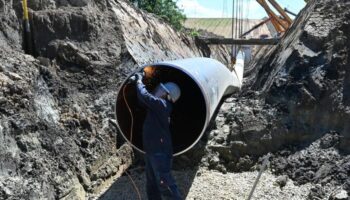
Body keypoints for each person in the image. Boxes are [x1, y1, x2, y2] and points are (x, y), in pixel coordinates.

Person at [132, 72, 182, 200]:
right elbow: (142, 100)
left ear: (167, 95)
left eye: (161, 90)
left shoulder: (162, 105)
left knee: (165, 185)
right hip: (152, 151)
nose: (158, 91)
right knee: (152, 185)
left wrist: (139, 80)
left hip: (160, 152)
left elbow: (144, 96)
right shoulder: (159, 107)